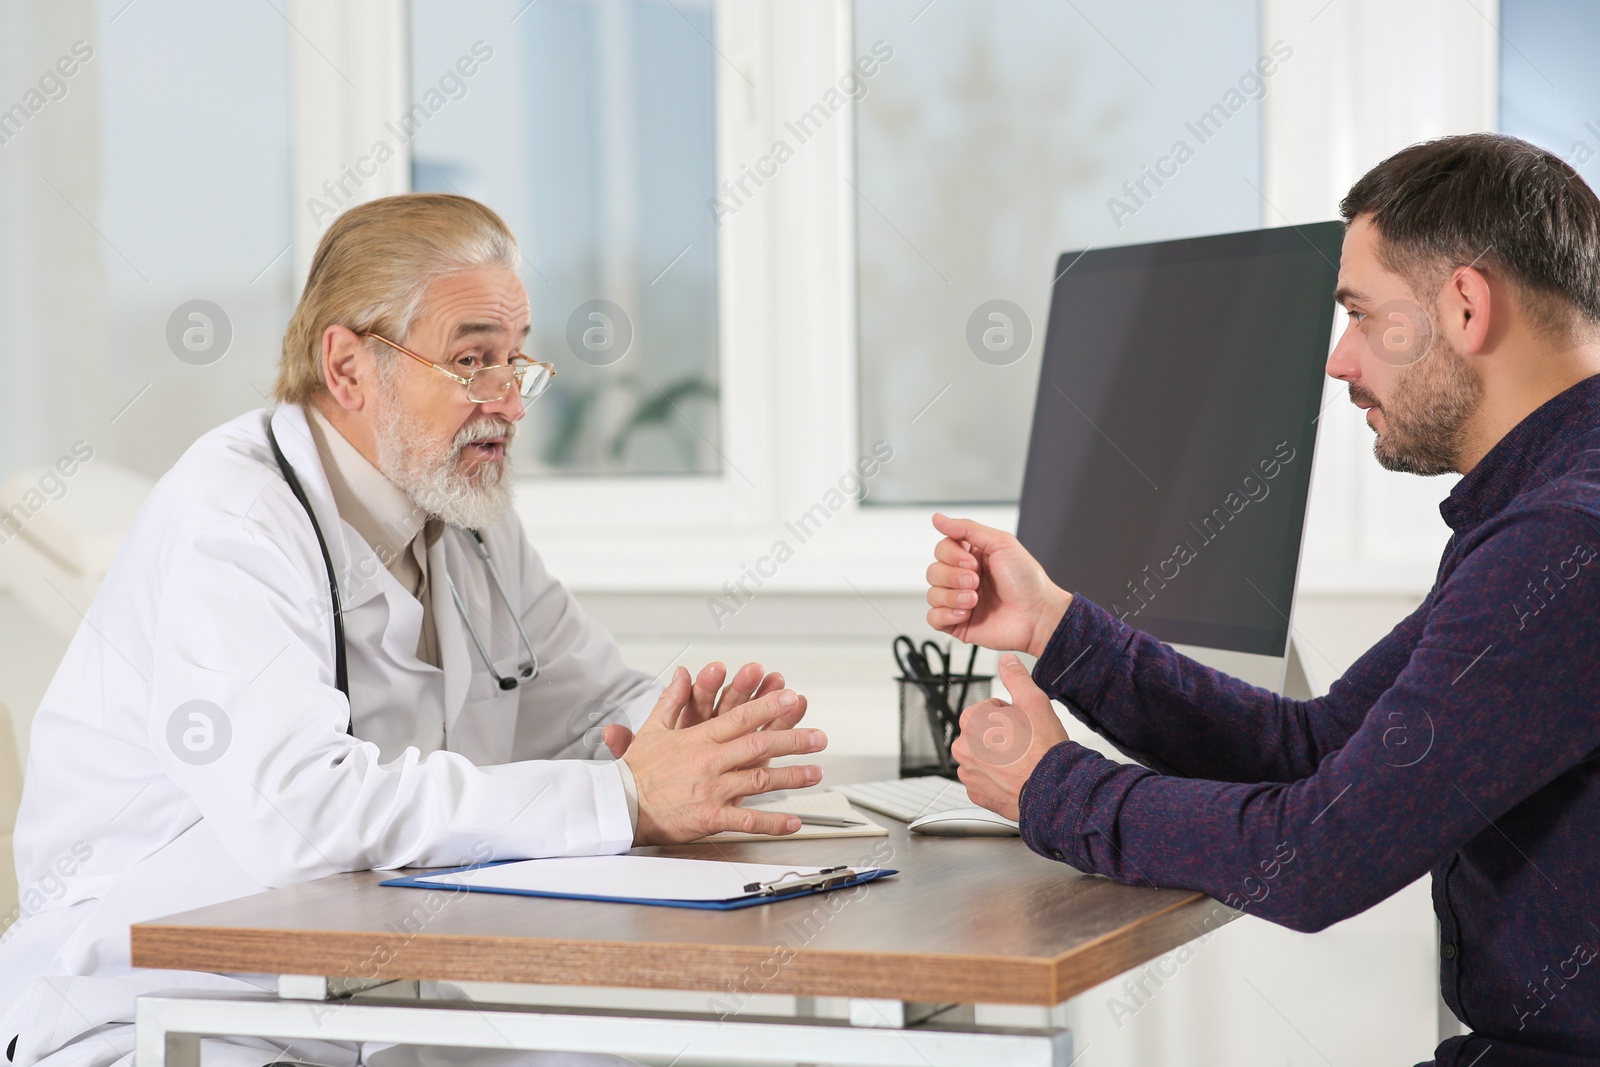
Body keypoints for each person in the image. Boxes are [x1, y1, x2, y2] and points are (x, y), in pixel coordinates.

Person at [0, 193, 826, 1067]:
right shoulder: (233, 520)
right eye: (473, 360)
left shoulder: (464, 512)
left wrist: (696, 744)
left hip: (364, 997)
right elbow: (299, 812)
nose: (509, 400)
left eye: (517, 360)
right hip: (156, 1002)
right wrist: (623, 797)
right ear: (349, 367)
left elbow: (590, 710)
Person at [927, 133, 1600, 1066]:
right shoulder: (1545, 508)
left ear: (1465, 303)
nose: (1339, 361)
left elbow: (1320, 854)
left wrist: (1055, 790)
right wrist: (1055, 626)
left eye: (1361, 316)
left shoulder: (1565, 541)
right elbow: (1314, 751)